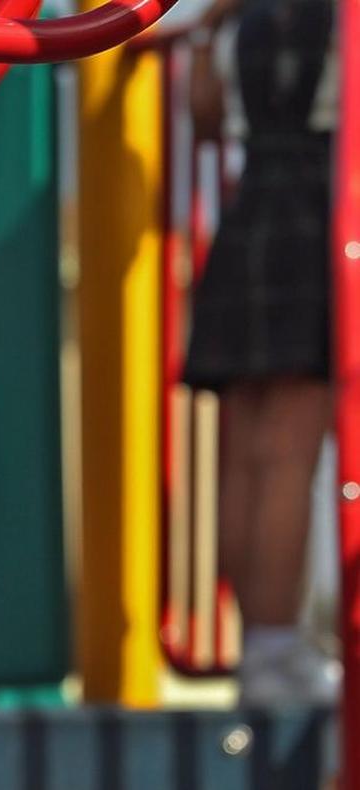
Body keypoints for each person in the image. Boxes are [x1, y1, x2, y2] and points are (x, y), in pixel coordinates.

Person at [183, 0, 339, 705]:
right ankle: (278, 650)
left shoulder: (235, 19)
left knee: (245, 452)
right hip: (325, 209)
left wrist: (212, 25)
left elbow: (207, 113)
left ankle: (260, 644)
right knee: (287, 451)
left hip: (251, 214)